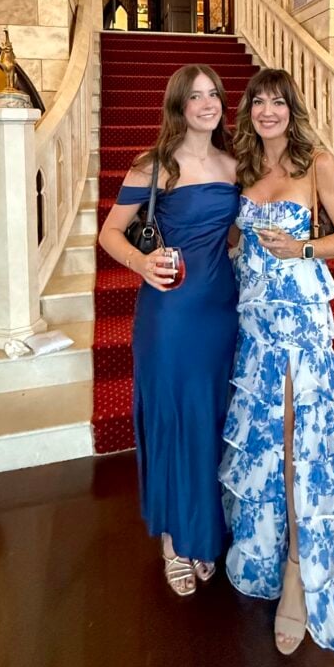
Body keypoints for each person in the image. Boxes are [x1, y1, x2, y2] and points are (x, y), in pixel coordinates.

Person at [219, 69, 334, 654]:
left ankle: (299, 574)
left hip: (298, 321)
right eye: (259, 102)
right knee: (264, 440)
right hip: (254, 322)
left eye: (278, 101)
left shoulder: (317, 163)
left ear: (291, 108)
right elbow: (234, 238)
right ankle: (269, 545)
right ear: (249, 111)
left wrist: (303, 246)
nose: (268, 110)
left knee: (296, 439)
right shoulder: (246, 167)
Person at [99, 64, 239, 596]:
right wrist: (140, 264)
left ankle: (203, 531)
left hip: (221, 308)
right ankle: (175, 540)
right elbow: (111, 232)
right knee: (175, 418)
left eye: (214, 95)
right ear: (178, 104)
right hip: (170, 310)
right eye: (195, 96)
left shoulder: (233, 165)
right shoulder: (154, 166)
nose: (207, 104)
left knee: (213, 416)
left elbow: (227, 236)